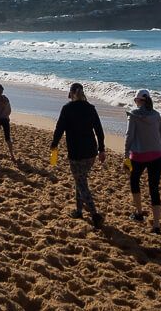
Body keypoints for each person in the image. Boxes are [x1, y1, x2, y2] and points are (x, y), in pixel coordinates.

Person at [51, 83, 106, 228]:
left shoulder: (67, 109)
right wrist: (102, 150)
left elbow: (59, 128)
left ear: (71, 93)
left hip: (76, 152)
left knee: (81, 182)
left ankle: (94, 214)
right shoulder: (90, 108)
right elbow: (99, 131)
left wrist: (54, 145)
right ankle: (79, 211)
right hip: (91, 153)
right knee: (79, 179)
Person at [124, 89, 161, 233]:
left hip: (138, 155)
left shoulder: (133, 115)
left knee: (134, 182)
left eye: (135, 100)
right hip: (157, 155)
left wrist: (125, 155)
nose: (135, 103)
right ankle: (156, 225)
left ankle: (139, 213)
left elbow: (129, 136)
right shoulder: (156, 115)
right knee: (154, 189)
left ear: (138, 101)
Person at [0, 84, 15, 160]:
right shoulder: (6, 98)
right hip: (5, 119)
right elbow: (9, 110)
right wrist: (7, 116)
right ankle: (12, 155)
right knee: (7, 137)